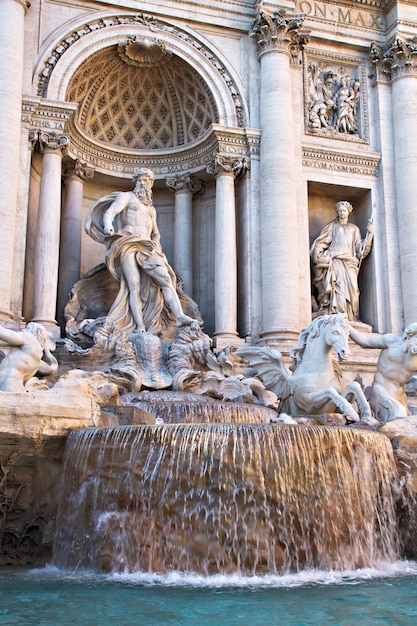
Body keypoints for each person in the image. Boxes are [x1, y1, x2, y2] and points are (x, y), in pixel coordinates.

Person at [85, 168, 196, 334]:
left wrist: (156, 246)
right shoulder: (127, 197)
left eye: (147, 181)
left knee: (166, 279)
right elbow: (110, 212)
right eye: (141, 180)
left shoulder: (150, 209)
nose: (144, 183)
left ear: (151, 184)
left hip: (147, 247)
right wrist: (108, 225)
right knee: (133, 285)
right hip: (128, 243)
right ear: (136, 182)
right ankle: (139, 326)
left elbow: (156, 233)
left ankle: (179, 316)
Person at [310, 201, 374, 320]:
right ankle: (336, 316)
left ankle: (351, 317)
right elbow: (322, 242)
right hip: (335, 261)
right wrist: (317, 253)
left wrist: (370, 234)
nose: (341, 213)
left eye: (343, 210)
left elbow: (360, 250)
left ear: (349, 211)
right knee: (337, 288)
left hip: (350, 263)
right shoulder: (332, 226)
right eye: (339, 211)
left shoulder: (354, 229)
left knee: (353, 290)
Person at [349, 323, 417, 420]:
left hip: (400, 396)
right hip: (381, 390)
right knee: (399, 416)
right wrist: (347, 326)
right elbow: (365, 342)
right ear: (411, 335)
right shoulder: (391, 341)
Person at [0, 323, 58, 392]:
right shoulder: (36, 357)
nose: (23, 330)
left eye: (27, 328)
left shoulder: (30, 337)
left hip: (7, 383)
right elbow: (49, 369)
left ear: (35, 331)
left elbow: (5, 334)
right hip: (17, 386)